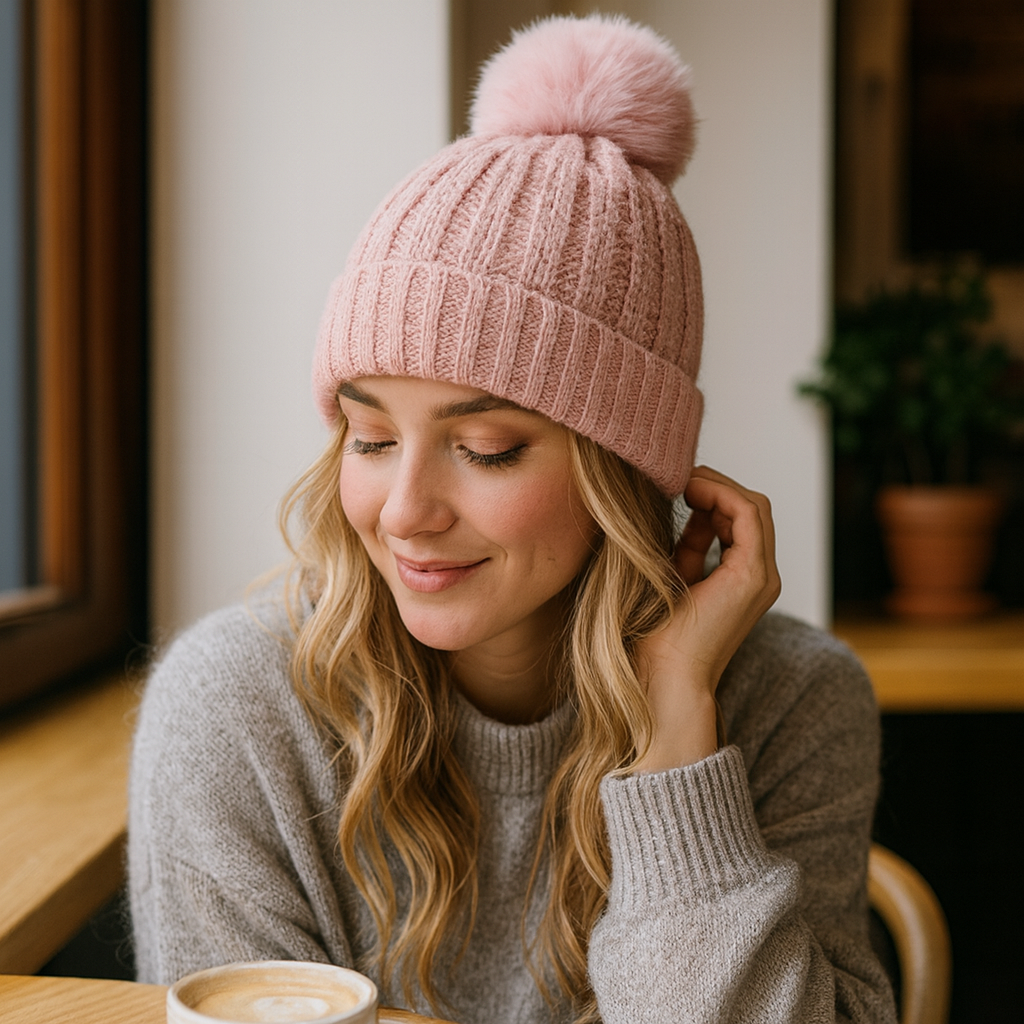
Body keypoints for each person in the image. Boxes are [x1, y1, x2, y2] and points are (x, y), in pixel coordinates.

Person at [129, 14, 897, 1024]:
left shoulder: (789, 702)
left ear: (620, 471)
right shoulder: (236, 713)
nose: (403, 510)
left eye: (485, 448)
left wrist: (674, 731)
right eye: (367, 438)